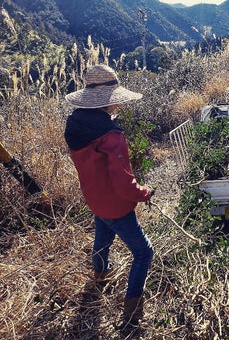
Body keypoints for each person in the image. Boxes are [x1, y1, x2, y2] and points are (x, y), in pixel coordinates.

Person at [64, 64, 154, 330]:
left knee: (102, 240)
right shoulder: (111, 137)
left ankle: (101, 275)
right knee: (144, 252)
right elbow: (125, 186)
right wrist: (145, 193)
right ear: (108, 102)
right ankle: (132, 311)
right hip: (115, 205)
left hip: (94, 198)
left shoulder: (74, 125)